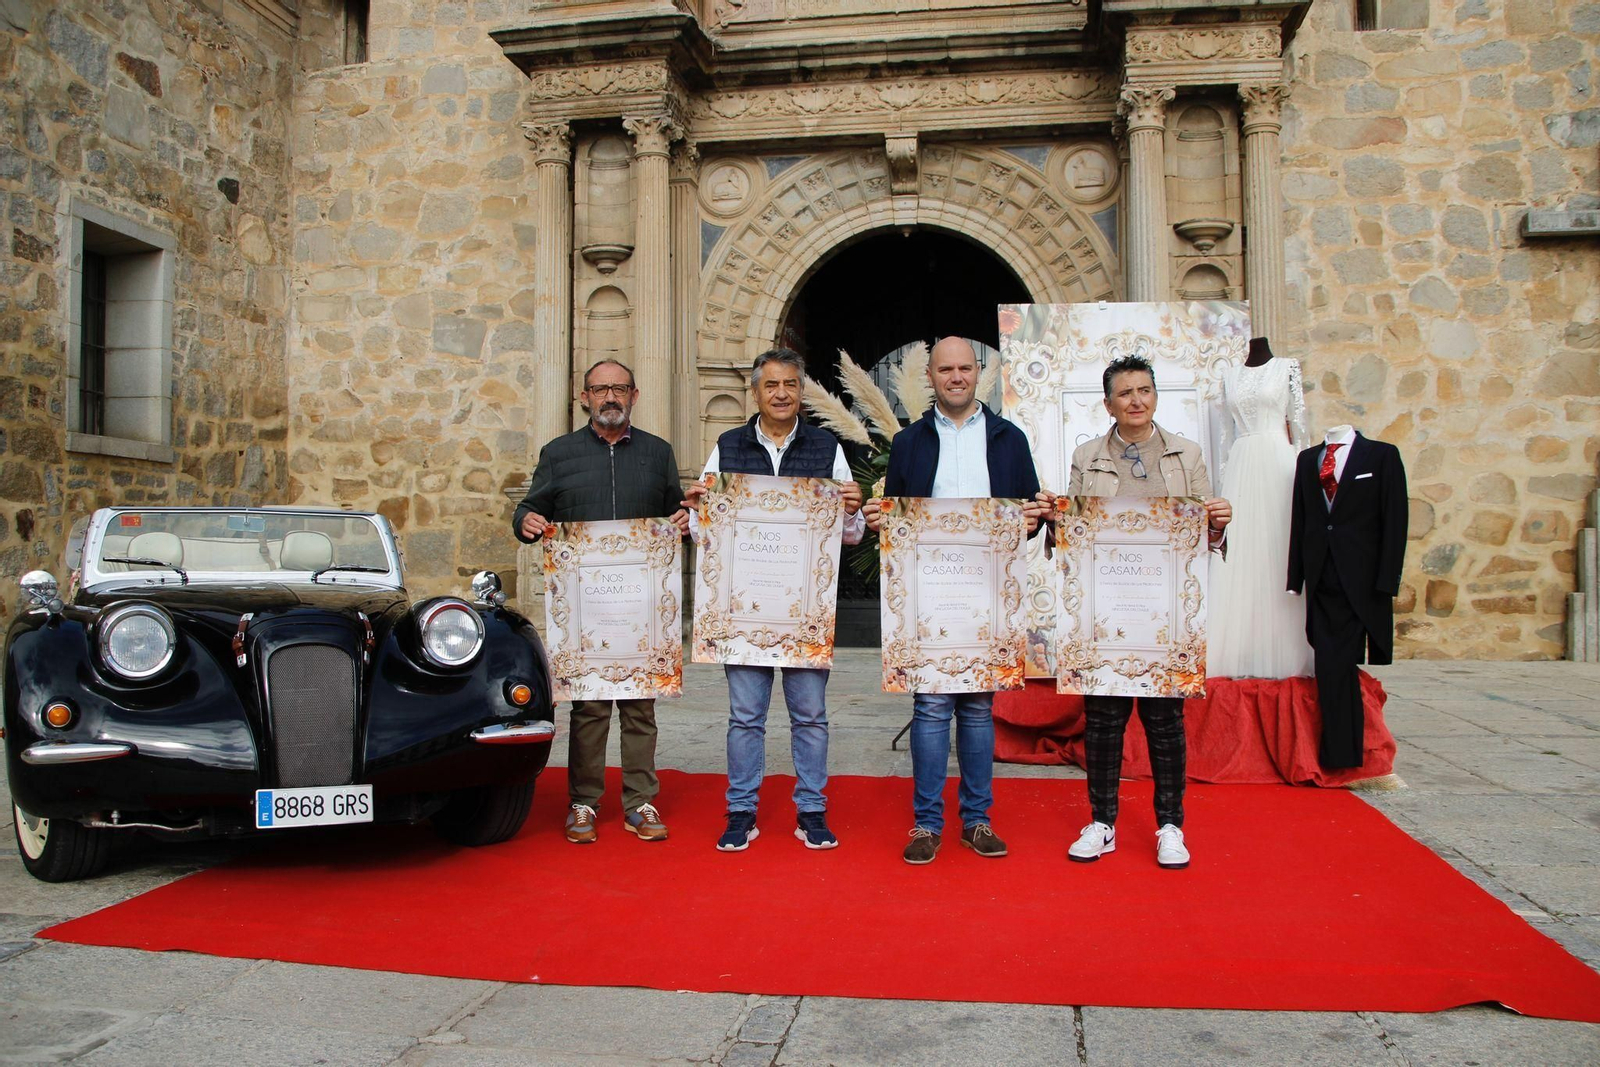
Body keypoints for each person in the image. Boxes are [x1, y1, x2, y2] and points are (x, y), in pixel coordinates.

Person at [863, 337, 1049, 866]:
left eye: (965, 367)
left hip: (990, 589)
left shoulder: (1010, 438)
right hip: (929, 592)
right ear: (932, 376)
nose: (956, 377)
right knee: (930, 705)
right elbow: (894, 518)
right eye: (946, 369)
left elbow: (1028, 516)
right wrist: (881, 519)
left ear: (977, 373)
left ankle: (977, 821)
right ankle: (926, 824)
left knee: (977, 707)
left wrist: (1032, 520)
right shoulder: (909, 442)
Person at [682, 347, 864, 853]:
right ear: (756, 392)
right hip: (745, 608)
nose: (781, 393)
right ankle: (741, 812)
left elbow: (848, 536)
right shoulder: (727, 445)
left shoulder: (827, 446)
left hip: (804, 607)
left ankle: (812, 811)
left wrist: (852, 508)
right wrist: (700, 507)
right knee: (745, 716)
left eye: (790, 385)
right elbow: (705, 531)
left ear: (800, 391)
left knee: (809, 715)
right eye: (771, 385)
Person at [1060, 354, 1232, 870]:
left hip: (1166, 608)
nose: (1136, 400)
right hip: (1104, 607)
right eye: (1125, 393)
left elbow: (1202, 533)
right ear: (1108, 403)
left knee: (1164, 720)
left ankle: (1170, 825)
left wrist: (1218, 524)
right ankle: (1102, 822)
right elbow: (1073, 534)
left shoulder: (1186, 454)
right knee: (1104, 719)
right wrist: (1055, 516)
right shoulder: (1088, 456)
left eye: (1145, 390)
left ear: (1155, 396)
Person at [511, 359, 688, 845]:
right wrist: (524, 521)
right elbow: (532, 506)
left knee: (638, 705)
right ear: (584, 397)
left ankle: (640, 802)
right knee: (588, 707)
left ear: (634, 395)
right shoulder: (559, 453)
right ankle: (584, 803)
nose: (610, 397)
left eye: (619, 388)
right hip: (585, 608)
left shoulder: (657, 453)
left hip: (642, 604)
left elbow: (674, 511)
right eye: (599, 389)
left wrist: (685, 522)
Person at [1209, 336, 1314, 678]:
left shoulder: (1288, 368)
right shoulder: (1229, 376)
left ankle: (1289, 648)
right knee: (1243, 554)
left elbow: (1300, 430)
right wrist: (1224, 483)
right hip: (1241, 463)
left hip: (1279, 462)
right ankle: (1240, 649)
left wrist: (1303, 477)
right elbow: (1225, 436)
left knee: (1280, 547)